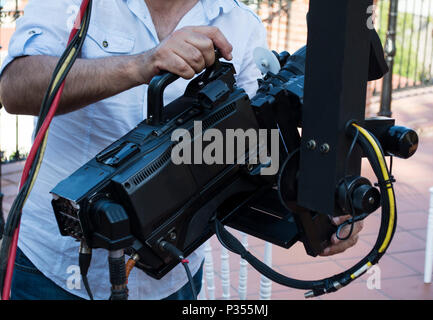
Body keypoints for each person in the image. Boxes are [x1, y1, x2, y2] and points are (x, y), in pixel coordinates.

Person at [0, 0, 363, 300]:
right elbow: (15, 89)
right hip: (52, 270)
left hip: (173, 278)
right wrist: (140, 65)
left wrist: (318, 207)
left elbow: (251, 155)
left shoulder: (240, 24)